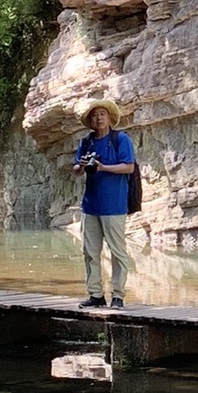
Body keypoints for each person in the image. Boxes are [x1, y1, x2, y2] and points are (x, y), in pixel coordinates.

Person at [73, 100, 136, 308]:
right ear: (90, 120)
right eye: (94, 115)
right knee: (90, 252)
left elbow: (128, 168)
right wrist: (80, 167)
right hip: (90, 206)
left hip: (114, 206)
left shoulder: (120, 139)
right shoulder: (87, 142)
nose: (98, 118)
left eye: (102, 114)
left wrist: (103, 168)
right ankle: (96, 295)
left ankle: (118, 295)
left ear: (109, 117)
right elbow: (77, 168)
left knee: (117, 252)